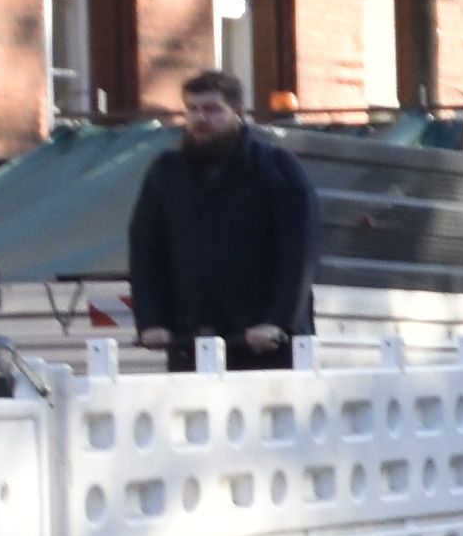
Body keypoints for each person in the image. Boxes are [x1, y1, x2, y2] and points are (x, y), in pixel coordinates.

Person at [125, 65, 318, 371]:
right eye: (193, 109)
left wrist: (279, 322)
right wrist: (151, 321)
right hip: (191, 344)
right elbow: (147, 251)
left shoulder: (277, 170)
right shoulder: (167, 173)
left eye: (213, 110)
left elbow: (299, 252)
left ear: (238, 111)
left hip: (265, 348)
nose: (201, 119)